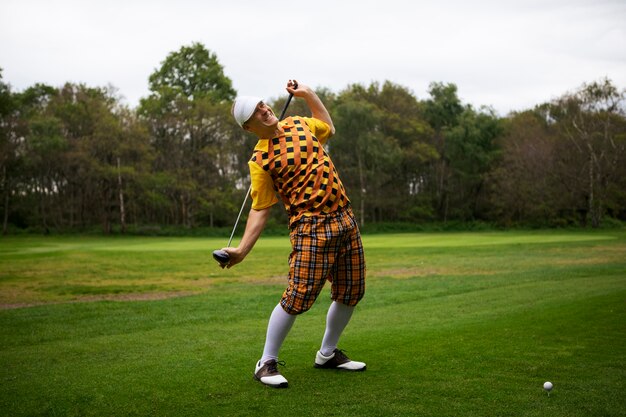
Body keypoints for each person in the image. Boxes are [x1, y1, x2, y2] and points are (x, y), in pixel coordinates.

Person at [222, 80, 366, 388]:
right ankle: (266, 363)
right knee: (298, 297)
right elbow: (260, 208)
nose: (264, 109)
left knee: (351, 291)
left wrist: (308, 94)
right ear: (248, 127)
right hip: (311, 228)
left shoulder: (300, 123)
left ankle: (327, 354)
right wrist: (242, 251)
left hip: (345, 218)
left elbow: (328, 127)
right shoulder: (260, 160)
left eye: (262, 104)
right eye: (255, 112)